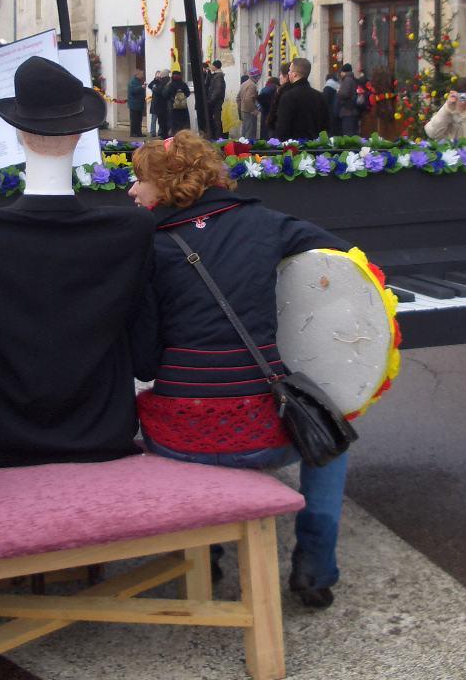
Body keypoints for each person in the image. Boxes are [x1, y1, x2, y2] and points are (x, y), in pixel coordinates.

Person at [128, 130, 352, 609]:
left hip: (181, 438)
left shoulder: (147, 245)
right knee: (333, 436)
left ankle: (204, 554)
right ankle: (315, 568)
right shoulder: (265, 222)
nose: (132, 190)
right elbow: (340, 260)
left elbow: (144, 362)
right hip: (263, 433)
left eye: (140, 179)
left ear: (167, 183)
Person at [0, 56, 156, 465]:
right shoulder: (131, 231)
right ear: (80, 134)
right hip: (102, 432)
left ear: (18, 133)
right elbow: (146, 354)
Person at [273, 57, 330, 141]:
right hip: (316, 145)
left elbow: (282, 128)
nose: (288, 73)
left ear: (295, 74)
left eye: (290, 70)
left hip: (294, 146)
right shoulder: (319, 96)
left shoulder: (288, 97)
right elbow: (326, 125)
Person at [424, 76, 466, 141]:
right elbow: (432, 133)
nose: (464, 100)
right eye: (462, 96)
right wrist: (446, 110)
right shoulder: (449, 112)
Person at [336, 63, 360, 136]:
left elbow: (344, 94)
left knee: (348, 134)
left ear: (344, 72)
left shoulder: (347, 80)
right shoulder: (351, 79)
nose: (340, 74)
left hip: (348, 110)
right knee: (352, 133)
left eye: (341, 72)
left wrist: (338, 92)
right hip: (351, 110)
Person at [205, 60, 227, 140]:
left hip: (216, 102)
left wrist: (211, 100)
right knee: (215, 119)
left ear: (215, 66)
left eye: (212, 65)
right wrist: (208, 73)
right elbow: (207, 84)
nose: (211, 67)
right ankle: (216, 136)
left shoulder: (219, 77)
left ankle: (218, 137)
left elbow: (217, 90)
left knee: (216, 119)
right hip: (215, 101)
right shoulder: (216, 75)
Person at [238, 68, 261, 141]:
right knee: (250, 134)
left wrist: (240, 108)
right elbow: (248, 99)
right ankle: (249, 147)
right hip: (249, 112)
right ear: (257, 76)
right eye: (259, 76)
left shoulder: (244, 83)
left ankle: (243, 146)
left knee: (244, 133)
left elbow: (238, 98)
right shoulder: (252, 85)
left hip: (243, 111)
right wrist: (254, 110)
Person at [148, 69, 169, 138]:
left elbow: (160, 91)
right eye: (157, 75)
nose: (159, 77)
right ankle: (153, 132)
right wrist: (155, 80)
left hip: (160, 104)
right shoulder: (155, 82)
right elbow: (149, 86)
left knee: (161, 120)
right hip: (154, 104)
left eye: (159, 75)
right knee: (154, 119)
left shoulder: (162, 83)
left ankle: (160, 132)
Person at [257, 75, 279, 139]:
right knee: (270, 133)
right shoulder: (274, 88)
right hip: (270, 112)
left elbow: (259, 99)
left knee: (264, 132)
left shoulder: (265, 88)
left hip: (264, 112)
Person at [127, 68, 146, 138]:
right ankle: (133, 133)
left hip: (139, 104)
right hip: (134, 105)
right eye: (142, 74)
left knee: (139, 120)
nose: (143, 75)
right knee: (134, 120)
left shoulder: (139, 81)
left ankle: (139, 133)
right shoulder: (133, 81)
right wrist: (141, 87)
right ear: (138, 74)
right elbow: (133, 91)